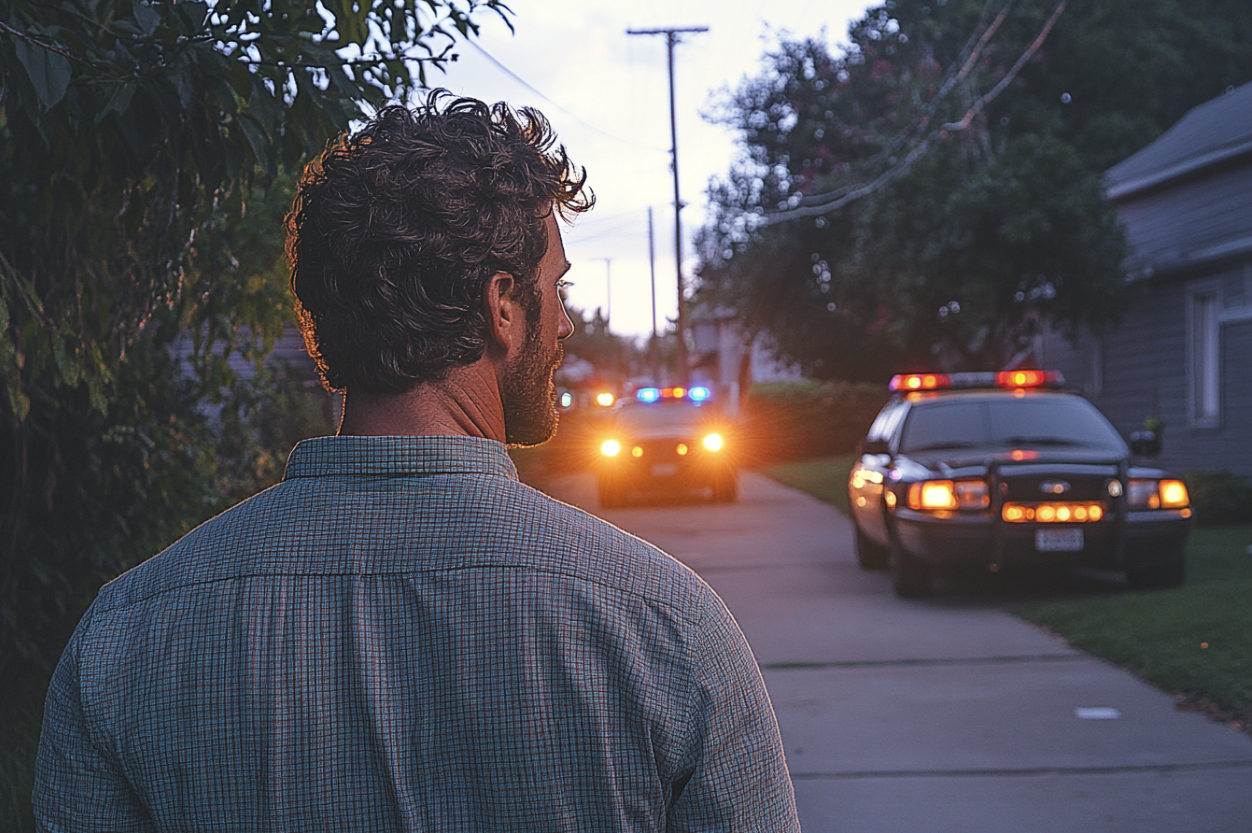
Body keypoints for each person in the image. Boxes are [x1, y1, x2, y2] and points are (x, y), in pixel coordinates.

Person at [34, 92, 799, 832]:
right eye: (554, 288)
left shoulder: (126, 640)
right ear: (502, 306)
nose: (565, 322)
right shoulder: (665, 627)